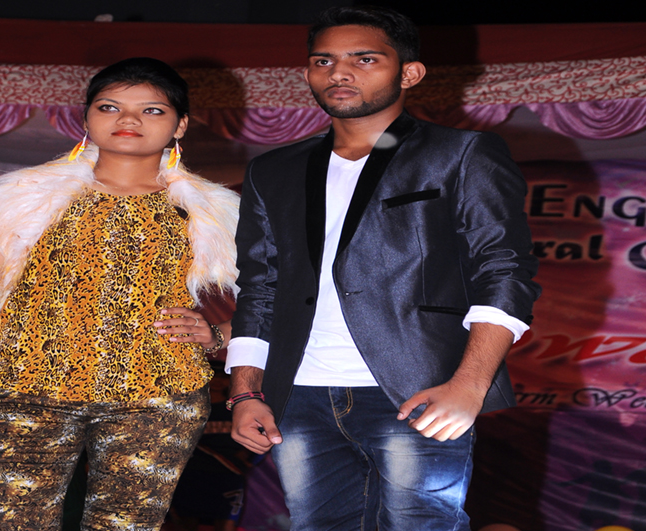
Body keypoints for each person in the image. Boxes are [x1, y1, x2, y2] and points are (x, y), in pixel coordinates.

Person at [226, 6, 540, 531]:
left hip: (419, 389)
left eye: (364, 59)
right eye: (323, 61)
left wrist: (469, 385)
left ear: (409, 72)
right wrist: (245, 391)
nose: (339, 72)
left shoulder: (460, 153)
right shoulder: (274, 169)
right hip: (298, 395)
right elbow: (259, 286)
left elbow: (504, 270)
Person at [0, 57, 239, 531]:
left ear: (180, 125)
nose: (129, 119)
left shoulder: (210, 211)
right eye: (110, 107)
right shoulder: (22, 199)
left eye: (152, 110)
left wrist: (219, 333)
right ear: (86, 117)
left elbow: (280, 295)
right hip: (21, 391)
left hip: (158, 398)